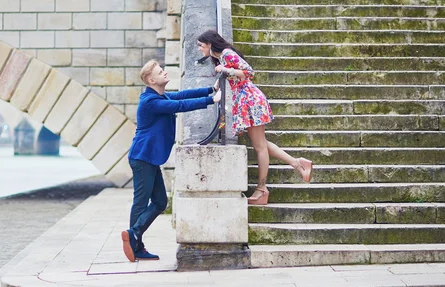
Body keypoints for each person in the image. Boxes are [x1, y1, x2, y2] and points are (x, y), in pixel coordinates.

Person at [196, 30, 312, 205]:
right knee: (261, 144)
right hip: (245, 101)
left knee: (259, 147)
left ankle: (262, 189)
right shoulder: (221, 57)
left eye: (201, 45)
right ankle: (297, 164)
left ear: (210, 44)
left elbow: (248, 72)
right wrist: (219, 80)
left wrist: (226, 69)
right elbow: (232, 75)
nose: (199, 49)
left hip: (250, 99)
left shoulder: (226, 54)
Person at [122, 59, 222, 262]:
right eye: (160, 72)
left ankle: (134, 237)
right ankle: (135, 241)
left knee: (160, 201)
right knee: (141, 202)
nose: (165, 73)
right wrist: (211, 101)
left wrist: (210, 89)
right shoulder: (150, 102)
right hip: (142, 157)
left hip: (149, 158)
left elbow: (182, 95)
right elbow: (180, 105)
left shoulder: (161, 96)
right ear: (151, 80)